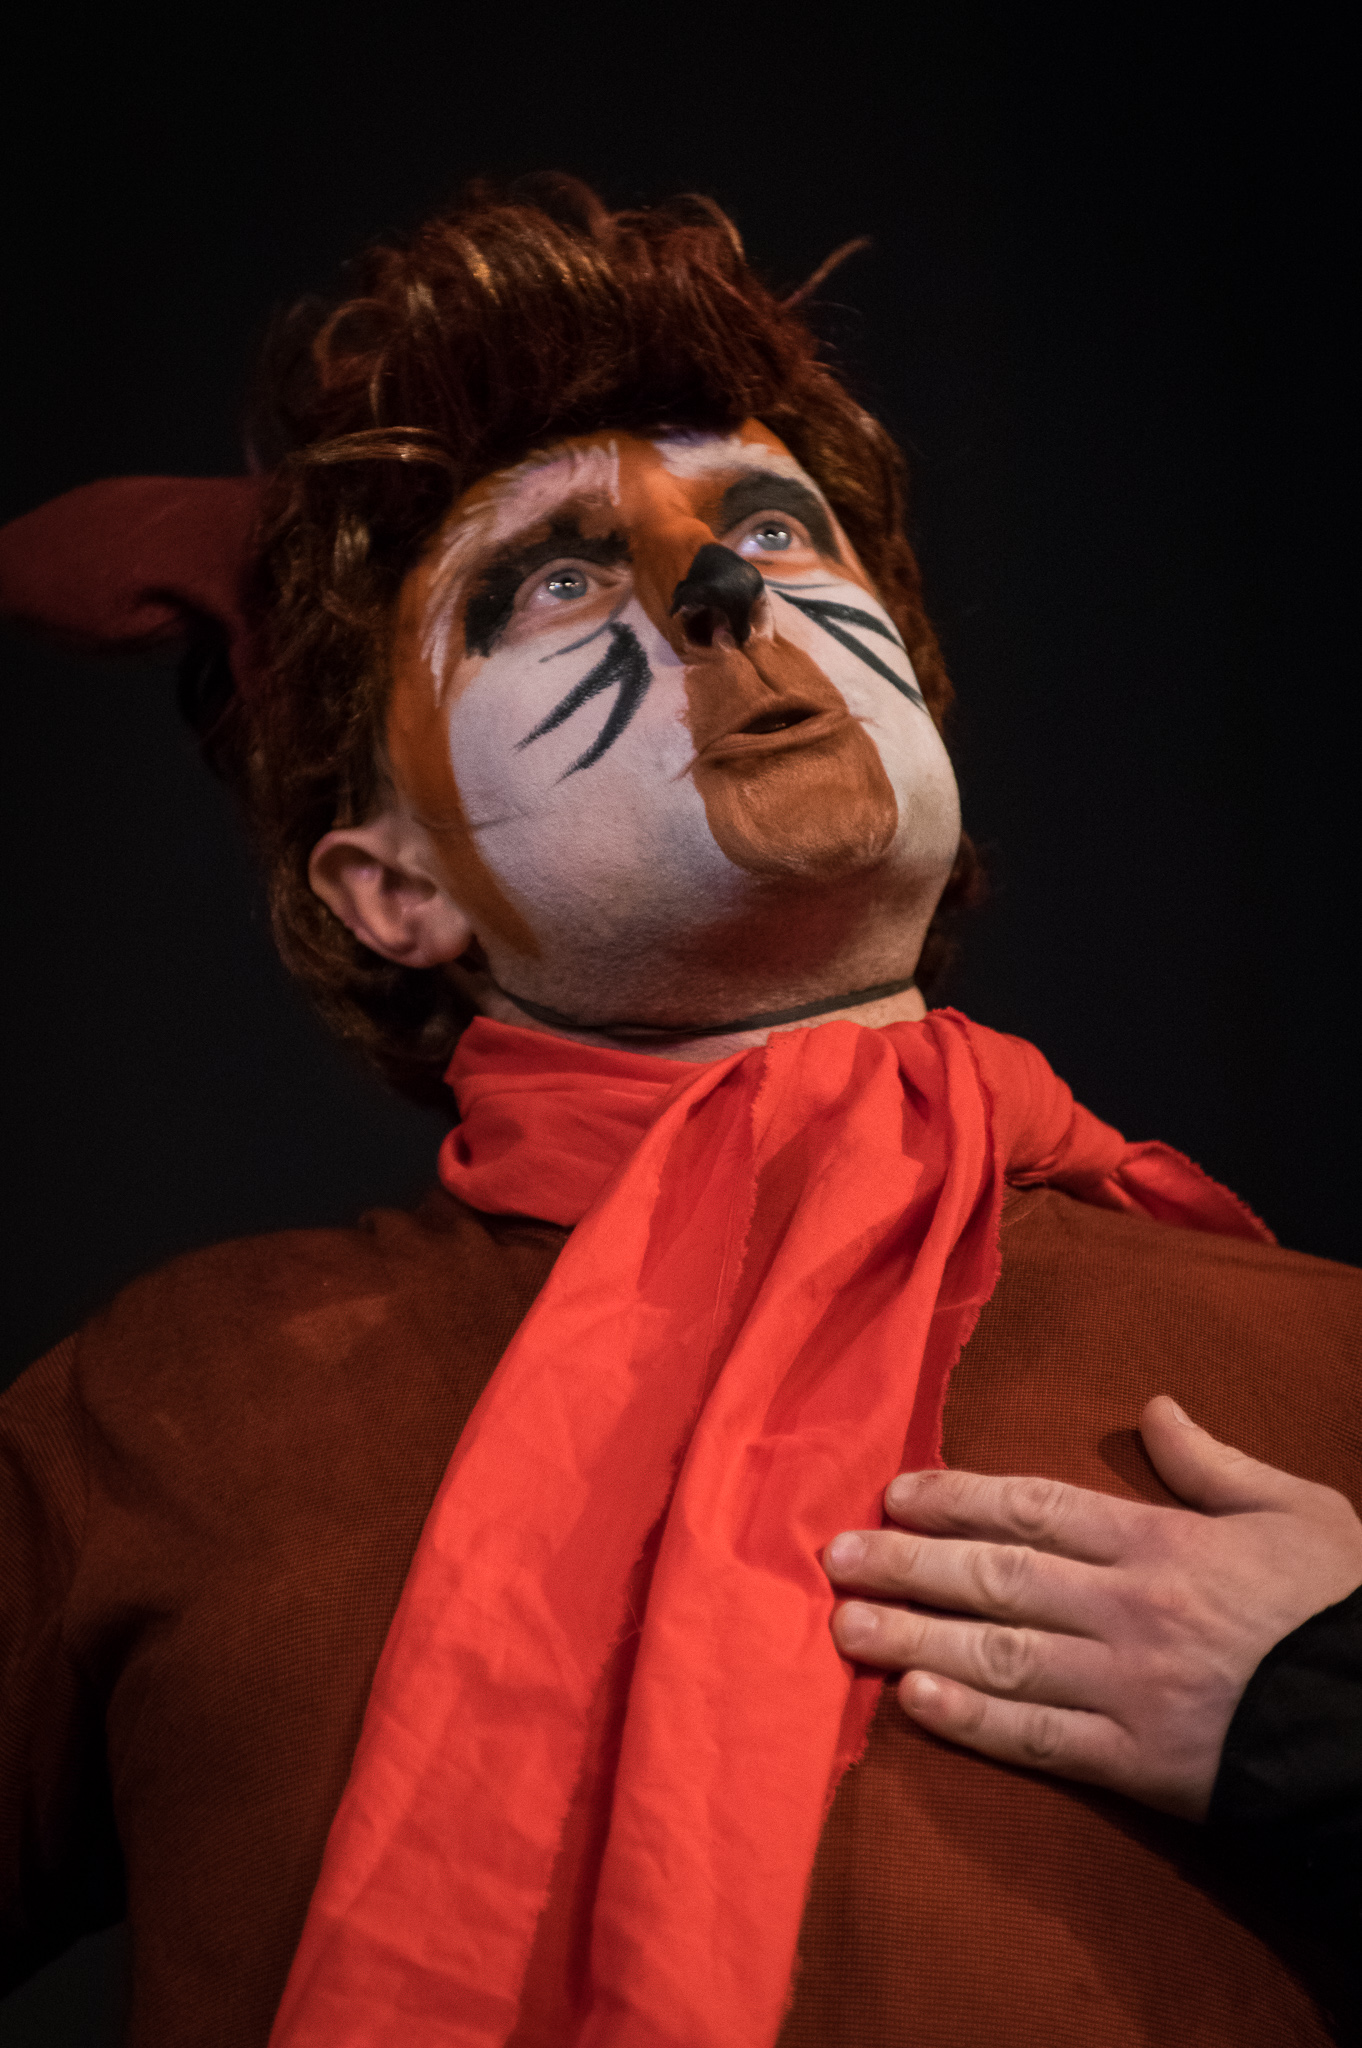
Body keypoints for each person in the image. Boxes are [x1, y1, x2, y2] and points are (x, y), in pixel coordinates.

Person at [1, 176, 1358, 2048]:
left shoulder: (1332, 1361)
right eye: (554, 580)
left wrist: (1336, 1715)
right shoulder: (168, 1402)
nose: (729, 592)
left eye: (777, 529)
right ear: (396, 888)